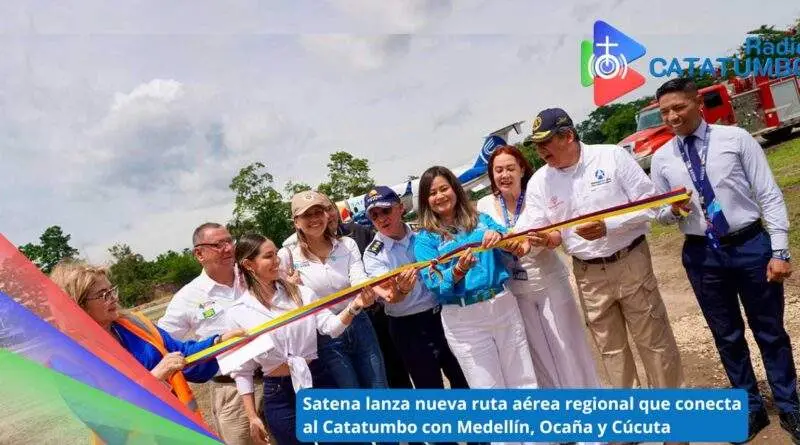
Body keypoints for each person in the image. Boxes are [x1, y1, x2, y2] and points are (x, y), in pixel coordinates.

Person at [649, 77, 798, 443]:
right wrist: (673, 211)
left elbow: (768, 193)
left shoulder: (736, 140)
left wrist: (779, 249)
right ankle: (749, 408)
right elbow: (658, 213)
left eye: (678, 108)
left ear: (697, 103)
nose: (672, 117)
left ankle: (790, 406)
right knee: (726, 336)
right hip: (701, 254)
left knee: (770, 331)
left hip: (749, 245)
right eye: (665, 112)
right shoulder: (662, 157)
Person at [520, 108, 684, 392]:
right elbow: (533, 227)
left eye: (545, 142)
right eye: (536, 144)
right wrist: (519, 239)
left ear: (568, 135)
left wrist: (608, 225)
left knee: (655, 344)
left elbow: (650, 205)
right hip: (588, 275)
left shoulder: (612, 157)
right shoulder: (540, 182)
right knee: (611, 352)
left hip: (630, 261)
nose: (540, 150)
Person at [227, 233, 376, 445]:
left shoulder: (302, 294)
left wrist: (355, 305)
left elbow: (331, 328)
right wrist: (252, 417)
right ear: (249, 264)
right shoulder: (238, 312)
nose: (277, 260)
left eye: (276, 254)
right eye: (269, 256)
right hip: (279, 394)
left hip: (318, 378)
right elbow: (242, 370)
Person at [477, 145, 600, 391]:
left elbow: (558, 234)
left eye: (510, 168)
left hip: (549, 282)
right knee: (538, 357)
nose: (504, 175)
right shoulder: (484, 206)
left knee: (567, 348)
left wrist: (546, 241)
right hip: (516, 290)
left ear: (522, 169)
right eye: (498, 170)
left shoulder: (538, 192)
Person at [49, 260, 243, 413]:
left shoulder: (136, 325)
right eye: (103, 295)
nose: (114, 298)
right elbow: (102, 414)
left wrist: (219, 342)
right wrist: (156, 377)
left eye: (112, 290)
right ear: (78, 306)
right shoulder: (67, 360)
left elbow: (180, 353)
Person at [413, 165, 538, 390]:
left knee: (524, 382)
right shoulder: (424, 240)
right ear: (425, 200)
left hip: (502, 305)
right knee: (488, 388)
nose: (440, 196)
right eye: (432, 193)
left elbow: (516, 245)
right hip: (464, 319)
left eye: (444, 189)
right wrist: (458, 271)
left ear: (455, 189)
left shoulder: (481, 219)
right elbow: (435, 284)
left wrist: (500, 237)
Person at [282, 196, 413, 390]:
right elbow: (284, 299)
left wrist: (372, 291)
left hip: (360, 324)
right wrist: (289, 288)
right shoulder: (287, 256)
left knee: (379, 388)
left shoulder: (347, 245)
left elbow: (359, 278)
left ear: (326, 215)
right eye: (306, 215)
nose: (314, 219)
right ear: (296, 222)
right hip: (325, 335)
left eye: (318, 212)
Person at [157, 222, 260, 445]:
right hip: (232, 393)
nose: (227, 248)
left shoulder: (252, 275)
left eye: (228, 241)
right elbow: (159, 341)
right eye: (217, 244)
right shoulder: (188, 297)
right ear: (199, 254)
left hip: (275, 379)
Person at [362, 185, 470, 392]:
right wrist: (402, 290)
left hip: (443, 315)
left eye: (385, 210)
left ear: (401, 208)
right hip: (407, 327)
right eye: (374, 215)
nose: (381, 218)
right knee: (429, 388)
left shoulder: (426, 234)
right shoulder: (373, 254)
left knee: (461, 377)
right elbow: (391, 297)